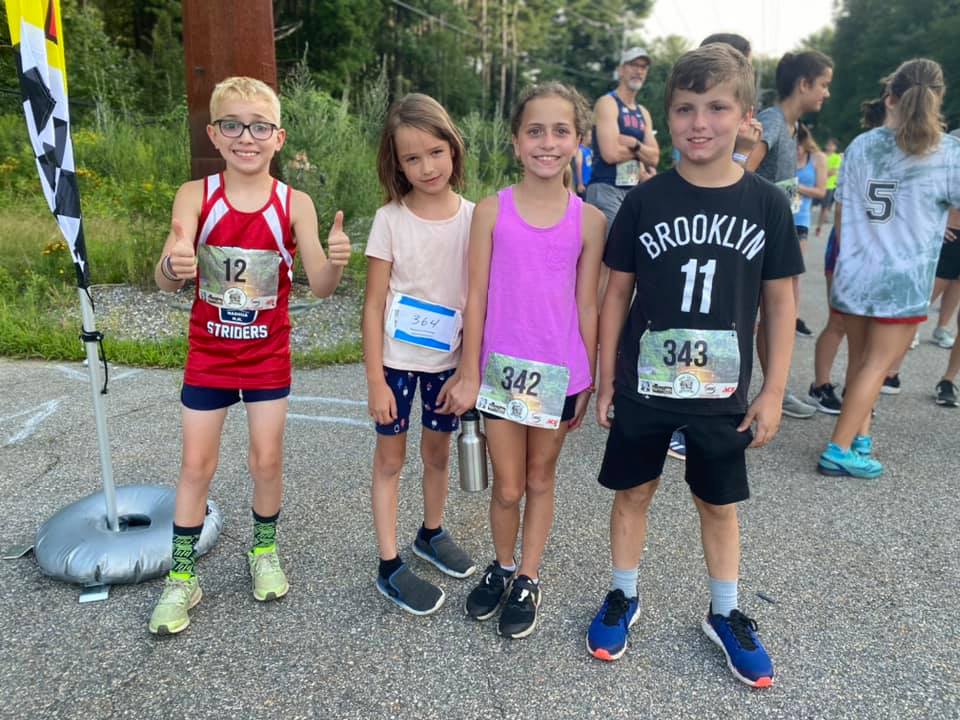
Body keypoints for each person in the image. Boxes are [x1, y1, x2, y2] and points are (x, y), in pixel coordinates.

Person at [585, 44, 802, 688]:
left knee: (718, 502)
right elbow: (615, 291)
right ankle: (624, 593)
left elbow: (781, 299)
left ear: (744, 117)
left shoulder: (765, 203)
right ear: (667, 116)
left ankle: (726, 612)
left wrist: (774, 390)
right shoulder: (646, 201)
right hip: (646, 381)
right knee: (633, 491)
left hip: (724, 390)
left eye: (716, 108)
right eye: (685, 108)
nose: (699, 122)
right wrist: (604, 378)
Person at [148, 76, 351, 634]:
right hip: (209, 355)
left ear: (278, 137)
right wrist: (173, 264)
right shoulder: (196, 194)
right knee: (196, 466)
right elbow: (168, 271)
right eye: (233, 125)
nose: (246, 137)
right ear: (215, 133)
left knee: (265, 461)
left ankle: (263, 550)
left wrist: (336, 260)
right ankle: (182, 577)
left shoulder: (296, 203)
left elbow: (323, 284)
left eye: (259, 127)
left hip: (267, 357)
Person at [439, 82, 605, 639]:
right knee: (506, 485)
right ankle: (503, 564)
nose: (547, 142)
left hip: (559, 373)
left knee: (540, 476)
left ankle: (529, 575)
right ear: (515, 141)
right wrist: (467, 370)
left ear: (579, 142)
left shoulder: (589, 222)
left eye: (561, 131)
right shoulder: (491, 212)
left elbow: (587, 300)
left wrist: (591, 374)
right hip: (501, 375)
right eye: (535, 130)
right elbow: (477, 296)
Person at [362, 94, 477, 616]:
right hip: (396, 365)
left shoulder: (477, 219)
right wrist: (374, 381)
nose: (426, 167)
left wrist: (469, 369)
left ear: (453, 149)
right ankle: (389, 563)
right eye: (412, 158)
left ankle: (430, 532)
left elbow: (479, 298)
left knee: (437, 454)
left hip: (447, 367)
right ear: (396, 162)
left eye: (435, 152)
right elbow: (372, 304)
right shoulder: (390, 219)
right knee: (391, 459)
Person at [818, 59, 960, 479]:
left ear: (891, 96)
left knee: (861, 360)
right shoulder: (948, 152)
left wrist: (850, 257)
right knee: (878, 366)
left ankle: (859, 435)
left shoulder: (862, 145)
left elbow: (842, 213)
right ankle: (839, 448)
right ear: (939, 97)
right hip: (904, 277)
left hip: (857, 270)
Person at [747, 49, 833, 419]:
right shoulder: (771, 120)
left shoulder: (793, 127)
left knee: (778, 316)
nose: (826, 93)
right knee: (753, 316)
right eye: (824, 85)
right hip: (754, 237)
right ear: (803, 84)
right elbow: (741, 171)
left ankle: (774, 390)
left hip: (781, 234)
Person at [809, 97, 887, 414]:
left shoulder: (902, 156)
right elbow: (843, 209)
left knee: (872, 332)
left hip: (881, 252)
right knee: (839, 322)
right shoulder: (862, 150)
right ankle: (821, 385)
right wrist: (847, 254)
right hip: (849, 248)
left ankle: (860, 395)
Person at [586, 46, 660, 239]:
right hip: (606, 187)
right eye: (633, 65)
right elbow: (610, 154)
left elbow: (655, 158)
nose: (639, 71)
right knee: (609, 255)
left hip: (633, 190)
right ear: (620, 70)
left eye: (644, 67)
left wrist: (634, 144)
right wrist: (642, 152)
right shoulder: (608, 103)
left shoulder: (643, 112)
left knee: (625, 258)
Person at [793, 124, 827, 338]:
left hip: (801, 219)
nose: (795, 148)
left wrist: (794, 187)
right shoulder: (782, 153)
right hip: (779, 216)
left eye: (797, 143)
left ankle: (793, 318)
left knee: (794, 272)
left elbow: (821, 191)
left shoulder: (817, 158)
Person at [814, 138, 842, 237]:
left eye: (832, 145)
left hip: (829, 186)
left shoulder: (837, 157)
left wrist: (821, 173)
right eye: (828, 144)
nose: (830, 147)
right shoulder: (821, 156)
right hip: (816, 185)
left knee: (824, 208)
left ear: (835, 147)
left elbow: (833, 172)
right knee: (808, 205)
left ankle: (819, 228)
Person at [574, 128, 593, 198]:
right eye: (589, 136)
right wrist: (580, 183)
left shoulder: (589, 150)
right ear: (584, 137)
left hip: (590, 182)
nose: (591, 138)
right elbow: (578, 166)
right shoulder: (580, 150)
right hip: (584, 183)